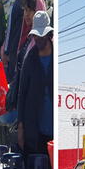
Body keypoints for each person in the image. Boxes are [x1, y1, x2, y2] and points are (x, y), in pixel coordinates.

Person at [17, 11, 53, 158]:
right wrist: (20, 126)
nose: (37, 38)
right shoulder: (30, 59)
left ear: (48, 35)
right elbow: (22, 93)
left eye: (40, 35)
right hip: (34, 129)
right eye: (35, 35)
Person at [3, 0, 29, 81]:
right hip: (26, 47)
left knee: (13, 78)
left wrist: (6, 50)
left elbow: (9, 30)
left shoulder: (16, 5)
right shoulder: (30, 5)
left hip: (15, 48)